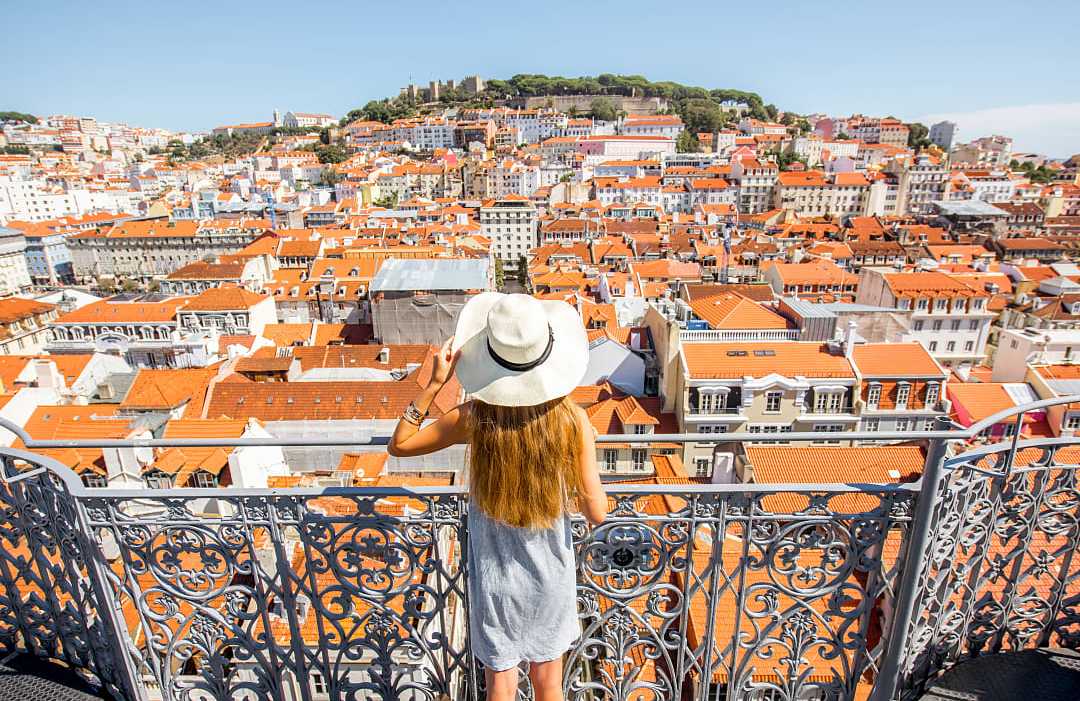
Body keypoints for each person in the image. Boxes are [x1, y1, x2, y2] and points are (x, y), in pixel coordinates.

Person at [388, 292, 607, 701]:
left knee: (500, 687)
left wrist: (435, 384)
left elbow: (399, 446)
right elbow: (597, 511)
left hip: (494, 577)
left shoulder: (475, 418)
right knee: (549, 685)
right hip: (551, 574)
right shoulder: (572, 421)